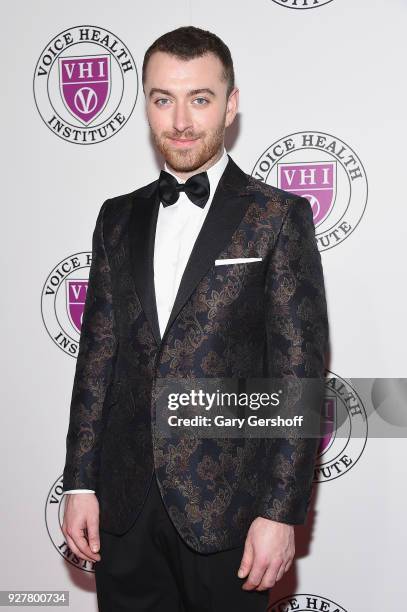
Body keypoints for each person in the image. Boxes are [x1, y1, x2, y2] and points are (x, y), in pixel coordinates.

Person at [61, 25, 329, 611]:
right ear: (147, 105)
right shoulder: (116, 218)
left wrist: (280, 513)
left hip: (228, 514)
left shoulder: (278, 216)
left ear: (230, 105)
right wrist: (79, 481)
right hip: (124, 509)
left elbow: (298, 377)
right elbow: (96, 358)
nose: (180, 121)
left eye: (199, 99)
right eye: (163, 99)